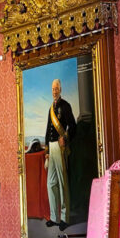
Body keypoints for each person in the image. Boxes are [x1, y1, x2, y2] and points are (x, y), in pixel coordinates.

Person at [44, 78, 76, 229]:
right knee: (51, 183)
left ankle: (64, 218)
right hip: (51, 147)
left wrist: (65, 137)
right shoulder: (51, 108)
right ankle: (54, 217)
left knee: (62, 184)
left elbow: (73, 126)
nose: (54, 91)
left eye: (56, 88)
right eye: (52, 89)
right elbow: (47, 130)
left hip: (60, 146)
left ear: (60, 90)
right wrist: (47, 152)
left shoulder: (66, 105)